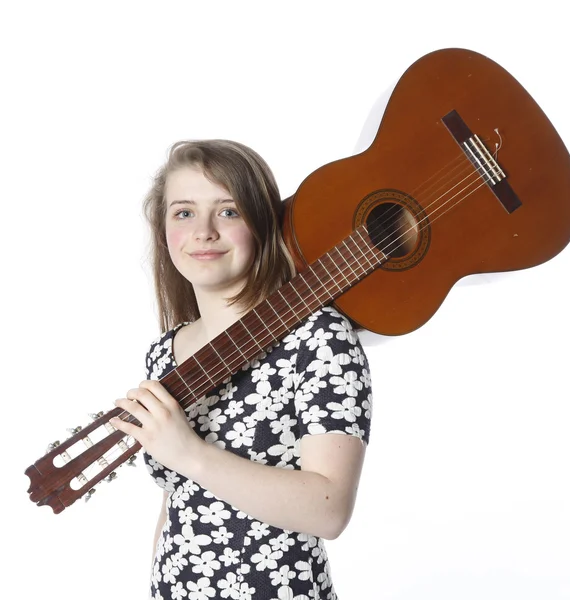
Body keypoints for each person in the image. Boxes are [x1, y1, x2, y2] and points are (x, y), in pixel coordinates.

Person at [109, 139, 373, 600]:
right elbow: (178, 501)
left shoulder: (318, 337)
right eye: (184, 212)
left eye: (228, 211)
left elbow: (329, 511)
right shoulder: (164, 353)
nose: (204, 231)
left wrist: (189, 451)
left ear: (261, 223)